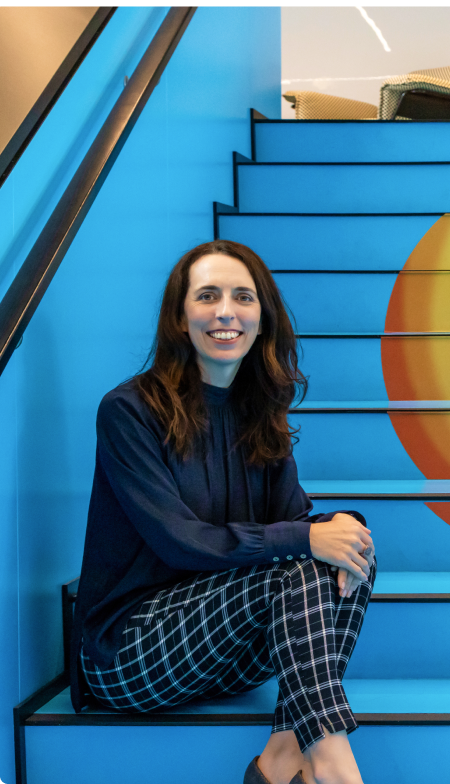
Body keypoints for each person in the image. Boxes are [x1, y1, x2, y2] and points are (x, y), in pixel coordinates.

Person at [70, 240, 376, 784]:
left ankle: (283, 754)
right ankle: (331, 760)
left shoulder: (260, 411)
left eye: (243, 297)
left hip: (225, 655)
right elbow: (179, 542)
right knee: (301, 553)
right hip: (130, 653)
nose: (225, 311)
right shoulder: (129, 411)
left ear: (263, 320)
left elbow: (295, 523)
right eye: (206, 296)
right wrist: (305, 538)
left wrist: (340, 529)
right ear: (180, 318)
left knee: (351, 552)